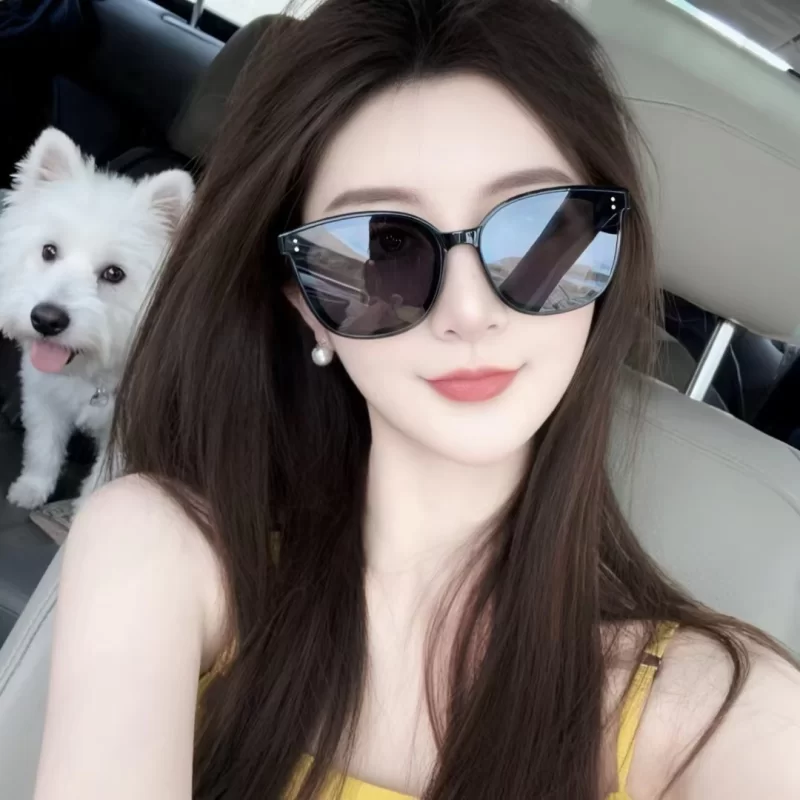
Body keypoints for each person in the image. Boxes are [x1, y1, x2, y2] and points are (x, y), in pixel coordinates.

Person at [32, 1, 800, 799]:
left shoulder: (727, 715)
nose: (468, 311)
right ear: (305, 305)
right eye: (381, 248)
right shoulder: (163, 553)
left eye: (538, 231)